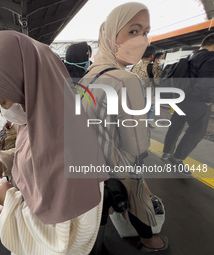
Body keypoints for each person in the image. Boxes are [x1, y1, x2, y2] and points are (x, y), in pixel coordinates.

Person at [0, 30, 108, 254]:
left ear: (28, 87)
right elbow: (33, 152)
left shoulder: (69, 150)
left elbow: (57, 242)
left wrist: (7, 198)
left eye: (2, 101)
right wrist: (3, 162)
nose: (3, 111)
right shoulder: (42, 120)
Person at [78, 2, 168, 252]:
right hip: (116, 165)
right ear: (110, 35)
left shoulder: (87, 77)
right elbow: (135, 143)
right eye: (133, 31)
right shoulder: (126, 80)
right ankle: (150, 241)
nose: (141, 39)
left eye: (145, 32)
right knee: (137, 195)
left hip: (89, 164)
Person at [161, 33, 214, 171]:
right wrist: (208, 100)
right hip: (196, 101)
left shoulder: (191, 56)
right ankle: (177, 158)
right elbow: (207, 83)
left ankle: (167, 152)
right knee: (198, 130)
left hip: (181, 98)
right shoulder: (210, 58)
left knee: (176, 125)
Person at [132, 45, 156, 128]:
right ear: (152, 55)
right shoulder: (152, 67)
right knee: (150, 109)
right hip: (148, 94)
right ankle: (145, 123)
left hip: (136, 93)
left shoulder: (135, 66)